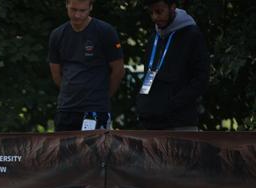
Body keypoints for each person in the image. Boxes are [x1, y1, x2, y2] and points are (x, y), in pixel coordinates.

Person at [48, 0, 125, 131]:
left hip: (96, 107)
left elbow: (118, 71)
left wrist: (103, 97)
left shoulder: (105, 31)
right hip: (66, 108)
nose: (77, 15)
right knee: (65, 151)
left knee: (94, 151)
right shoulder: (57, 34)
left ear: (91, 8)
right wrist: (69, 91)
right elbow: (56, 73)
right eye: (73, 9)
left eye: (82, 11)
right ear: (66, 5)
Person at [136, 0, 209, 130]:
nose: (154, 17)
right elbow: (150, 73)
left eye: (159, 11)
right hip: (151, 122)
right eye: (151, 13)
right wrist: (143, 104)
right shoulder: (155, 36)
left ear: (172, 7)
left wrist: (173, 104)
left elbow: (201, 78)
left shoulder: (192, 35)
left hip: (180, 123)